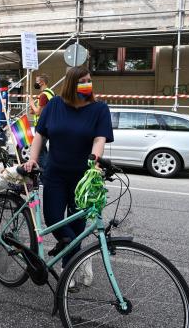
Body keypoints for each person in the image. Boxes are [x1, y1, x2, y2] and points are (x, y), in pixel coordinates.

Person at [23, 66, 113, 271]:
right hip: (55, 173)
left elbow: (100, 139)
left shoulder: (99, 109)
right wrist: (33, 159)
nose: (87, 85)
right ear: (71, 84)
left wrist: (95, 162)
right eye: (82, 81)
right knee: (53, 218)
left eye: (89, 80)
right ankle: (81, 255)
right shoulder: (55, 105)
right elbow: (40, 135)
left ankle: (68, 267)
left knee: (77, 225)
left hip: (83, 179)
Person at [29, 74, 55, 170]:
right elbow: (34, 111)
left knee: (39, 151)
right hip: (48, 124)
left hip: (42, 126)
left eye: (37, 81)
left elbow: (38, 112)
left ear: (42, 82)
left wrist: (32, 103)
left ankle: (45, 172)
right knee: (43, 150)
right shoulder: (50, 93)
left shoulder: (44, 95)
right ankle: (46, 170)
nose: (35, 83)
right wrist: (33, 107)